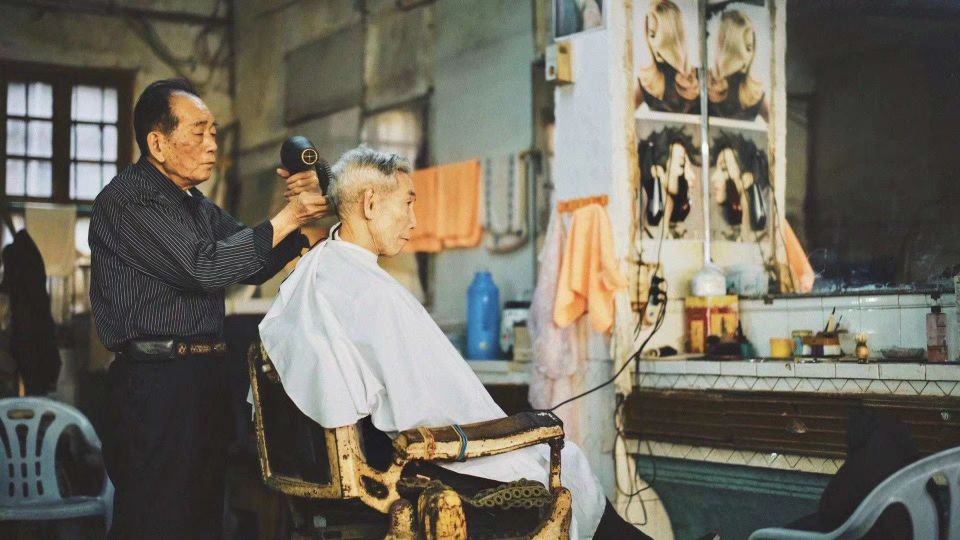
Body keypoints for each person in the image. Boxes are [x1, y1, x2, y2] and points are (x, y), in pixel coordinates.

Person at [259, 146, 650, 539]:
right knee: (567, 465)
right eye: (407, 203)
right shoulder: (368, 293)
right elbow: (423, 411)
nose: (414, 221)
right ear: (371, 202)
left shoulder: (321, 275)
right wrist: (529, 430)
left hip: (356, 476)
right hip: (422, 472)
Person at [89, 78, 329, 538]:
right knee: (157, 521)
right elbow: (206, 267)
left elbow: (252, 263)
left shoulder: (194, 204)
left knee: (201, 519)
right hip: (155, 385)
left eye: (214, 132)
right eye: (198, 132)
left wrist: (299, 215)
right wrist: (290, 216)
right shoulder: (128, 201)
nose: (212, 144)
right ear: (157, 143)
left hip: (202, 380)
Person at [635, 0, 700, 114]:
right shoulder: (646, 82)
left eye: (652, 34)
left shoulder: (692, 78)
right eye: (649, 34)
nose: (649, 40)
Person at [708, 9, 770, 121]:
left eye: (750, 48)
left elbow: (777, 120)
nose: (749, 56)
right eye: (746, 48)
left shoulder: (752, 92)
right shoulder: (696, 83)